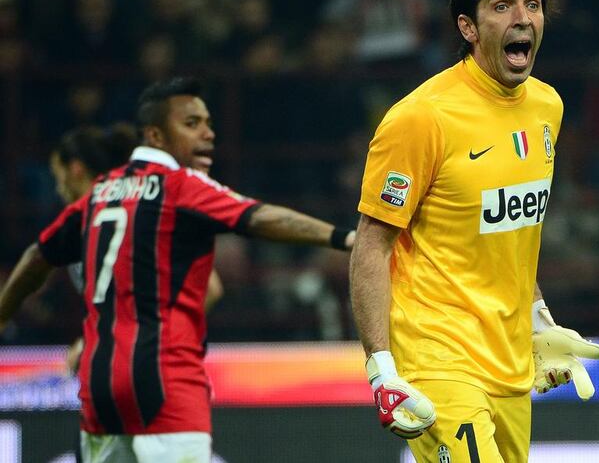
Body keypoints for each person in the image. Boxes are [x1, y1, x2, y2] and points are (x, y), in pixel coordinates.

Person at [0, 76, 355, 463]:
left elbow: (37, 255)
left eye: (208, 123)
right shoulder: (181, 186)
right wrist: (342, 238)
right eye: (192, 124)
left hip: (99, 385)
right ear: (155, 134)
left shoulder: (101, 191)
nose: (208, 134)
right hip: (166, 379)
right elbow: (260, 217)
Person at [349, 0, 599, 462]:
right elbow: (371, 246)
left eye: (533, 4)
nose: (522, 18)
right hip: (436, 356)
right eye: (502, 5)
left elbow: (509, 231)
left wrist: (538, 319)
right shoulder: (421, 118)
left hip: (509, 363)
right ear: (468, 26)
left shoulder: (547, 106)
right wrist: (381, 366)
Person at [49, 123, 225, 372]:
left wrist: (152, 345)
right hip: (121, 367)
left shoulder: (138, 212)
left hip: (158, 365)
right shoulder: (83, 223)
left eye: (58, 176)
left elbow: (210, 288)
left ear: (75, 169)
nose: (58, 187)